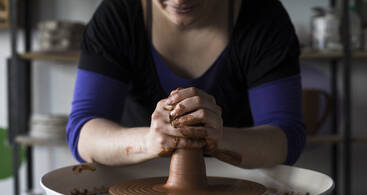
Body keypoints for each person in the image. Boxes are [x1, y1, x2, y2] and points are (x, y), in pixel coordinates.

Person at [66, 0, 306, 169]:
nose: (179, 1)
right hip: (141, 184)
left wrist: (218, 139)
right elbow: (83, 133)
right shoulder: (118, 15)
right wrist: (148, 142)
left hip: (235, 188)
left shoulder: (263, 16)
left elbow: (286, 137)